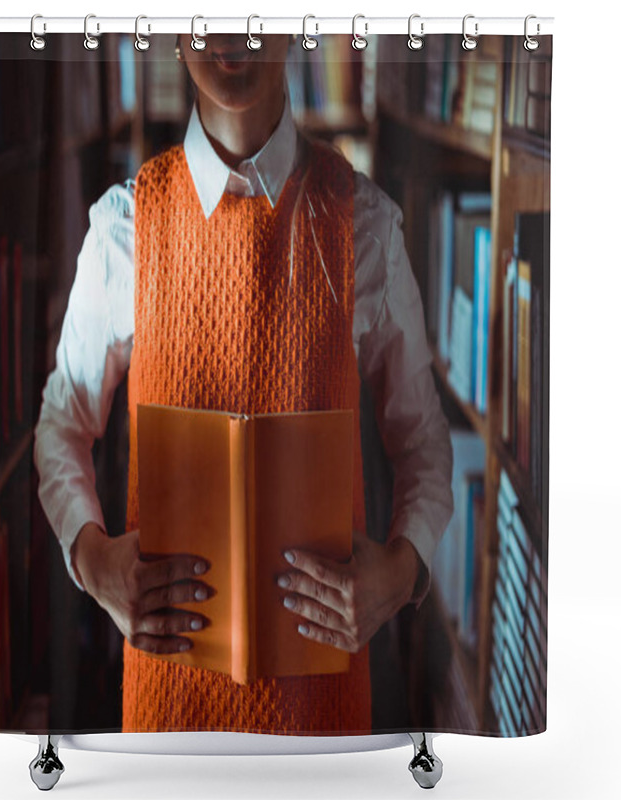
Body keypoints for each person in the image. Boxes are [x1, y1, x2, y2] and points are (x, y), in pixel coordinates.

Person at [34, 33, 453, 736]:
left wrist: (403, 571)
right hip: (168, 711)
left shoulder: (367, 225)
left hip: (321, 719)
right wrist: (91, 557)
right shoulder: (122, 227)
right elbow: (62, 424)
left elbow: (425, 441)